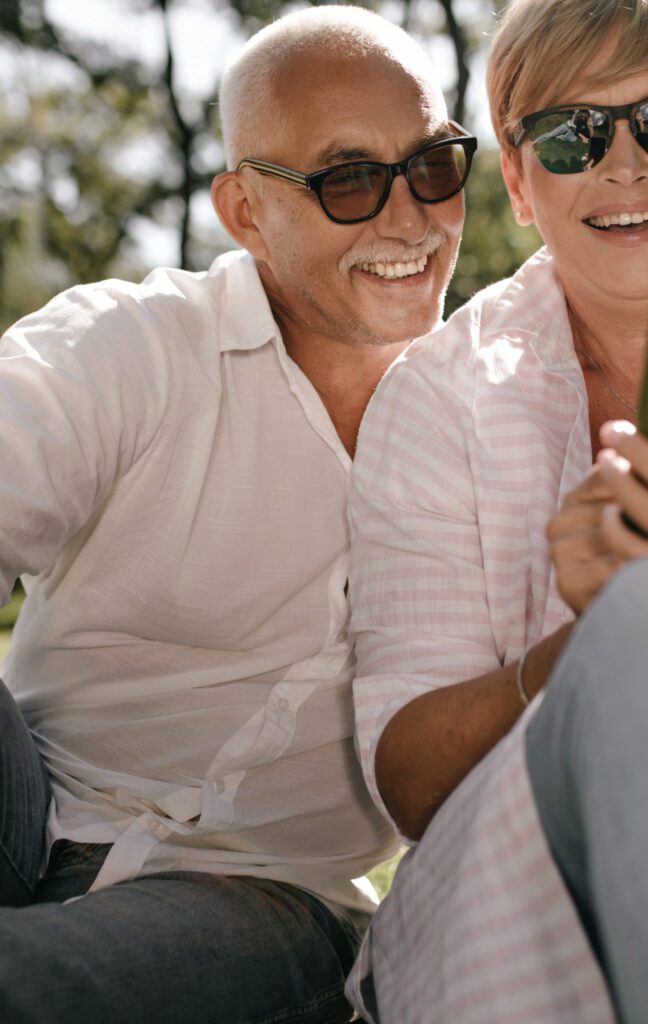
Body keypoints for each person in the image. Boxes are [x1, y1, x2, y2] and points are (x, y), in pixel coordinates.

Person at [0, 6, 471, 1021]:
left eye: (434, 166)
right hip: (24, 802)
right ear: (246, 210)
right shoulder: (131, 346)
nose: (409, 218)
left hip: (264, 896)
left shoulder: (495, 426)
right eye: (350, 179)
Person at [345, 0, 648, 1021]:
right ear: (520, 186)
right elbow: (410, 783)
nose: (624, 166)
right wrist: (596, 637)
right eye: (574, 136)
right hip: (511, 892)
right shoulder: (438, 395)